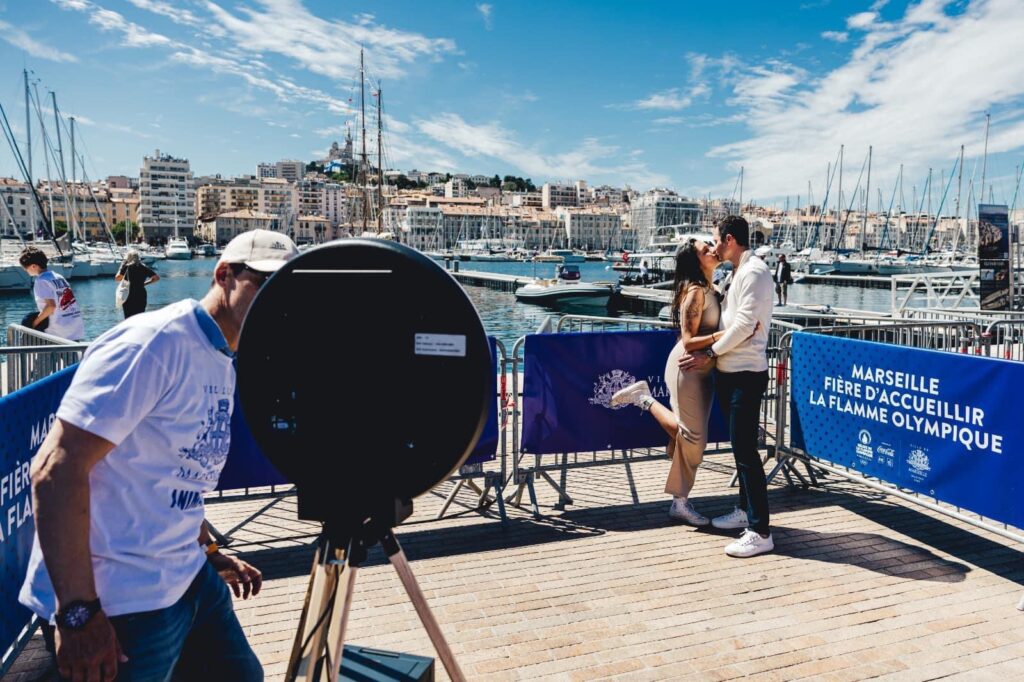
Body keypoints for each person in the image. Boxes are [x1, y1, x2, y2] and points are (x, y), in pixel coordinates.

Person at [19, 229, 299, 681]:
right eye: (265, 284)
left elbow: (172, 475)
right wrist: (77, 615)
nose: (278, 303)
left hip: (186, 576)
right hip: (120, 601)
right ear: (223, 274)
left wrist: (208, 550)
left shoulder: (221, 356)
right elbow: (56, 470)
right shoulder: (154, 343)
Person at [680, 215, 775, 558]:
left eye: (717, 239)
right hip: (730, 371)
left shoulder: (754, 273)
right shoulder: (738, 273)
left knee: (747, 453)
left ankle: (761, 531)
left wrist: (710, 353)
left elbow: (745, 325)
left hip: (745, 373)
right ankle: (744, 510)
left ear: (731, 239)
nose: (715, 245)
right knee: (740, 449)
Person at [610, 239, 723, 526]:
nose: (711, 249)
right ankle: (679, 502)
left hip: (703, 366)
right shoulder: (695, 292)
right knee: (693, 438)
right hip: (688, 367)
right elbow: (688, 340)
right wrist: (727, 336)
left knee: (689, 435)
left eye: (711, 244)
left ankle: (680, 501)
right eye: (704, 250)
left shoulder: (711, 288)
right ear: (696, 262)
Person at [18, 246, 85, 341]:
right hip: (74, 327)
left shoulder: (41, 280)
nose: (25, 271)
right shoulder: (58, 277)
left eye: (26, 268)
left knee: (28, 320)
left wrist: (34, 323)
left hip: (58, 331)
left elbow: (51, 307)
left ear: (33, 266)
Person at [115, 249, 160, 319]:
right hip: (141, 295)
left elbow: (118, 278)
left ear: (128, 258)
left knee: (128, 318)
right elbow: (156, 278)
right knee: (139, 318)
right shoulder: (144, 267)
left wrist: (121, 266)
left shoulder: (127, 267)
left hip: (129, 295)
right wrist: (145, 283)